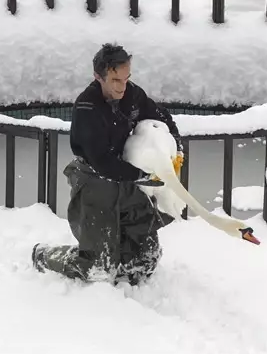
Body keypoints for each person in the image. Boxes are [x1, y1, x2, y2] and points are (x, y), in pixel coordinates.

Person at [31, 43, 183, 286]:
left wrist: (176, 146)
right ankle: (44, 255)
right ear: (98, 77)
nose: (122, 86)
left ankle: (124, 257)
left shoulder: (131, 93)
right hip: (95, 179)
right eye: (115, 80)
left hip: (128, 175)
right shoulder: (87, 108)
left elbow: (160, 115)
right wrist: (140, 175)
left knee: (146, 260)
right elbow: (101, 161)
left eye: (126, 78)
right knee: (97, 269)